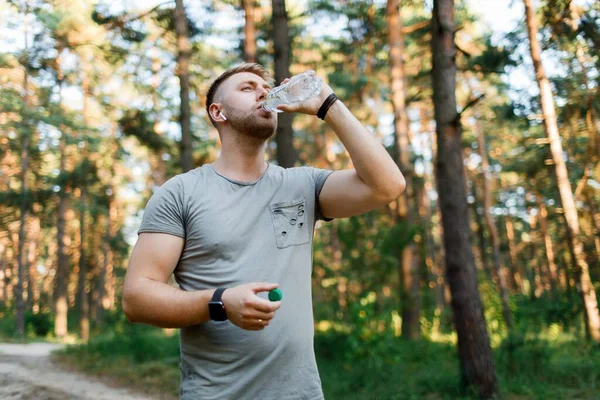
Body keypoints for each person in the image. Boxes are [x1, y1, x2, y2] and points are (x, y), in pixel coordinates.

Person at [122, 63, 405, 400]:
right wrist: (220, 302)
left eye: (265, 86)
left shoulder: (302, 185)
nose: (262, 91)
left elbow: (388, 186)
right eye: (247, 87)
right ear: (218, 112)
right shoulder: (180, 193)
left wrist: (328, 105)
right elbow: (137, 297)